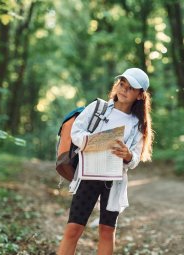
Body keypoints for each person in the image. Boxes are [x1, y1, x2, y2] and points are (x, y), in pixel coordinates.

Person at [57, 68, 153, 255]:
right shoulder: (97, 108)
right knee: (74, 228)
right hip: (88, 176)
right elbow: (76, 133)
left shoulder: (137, 124)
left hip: (115, 182)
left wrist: (127, 155)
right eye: (121, 84)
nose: (123, 90)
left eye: (130, 88)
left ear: (140, 95)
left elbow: (134, 159)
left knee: (107, 231)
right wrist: (100, 141)